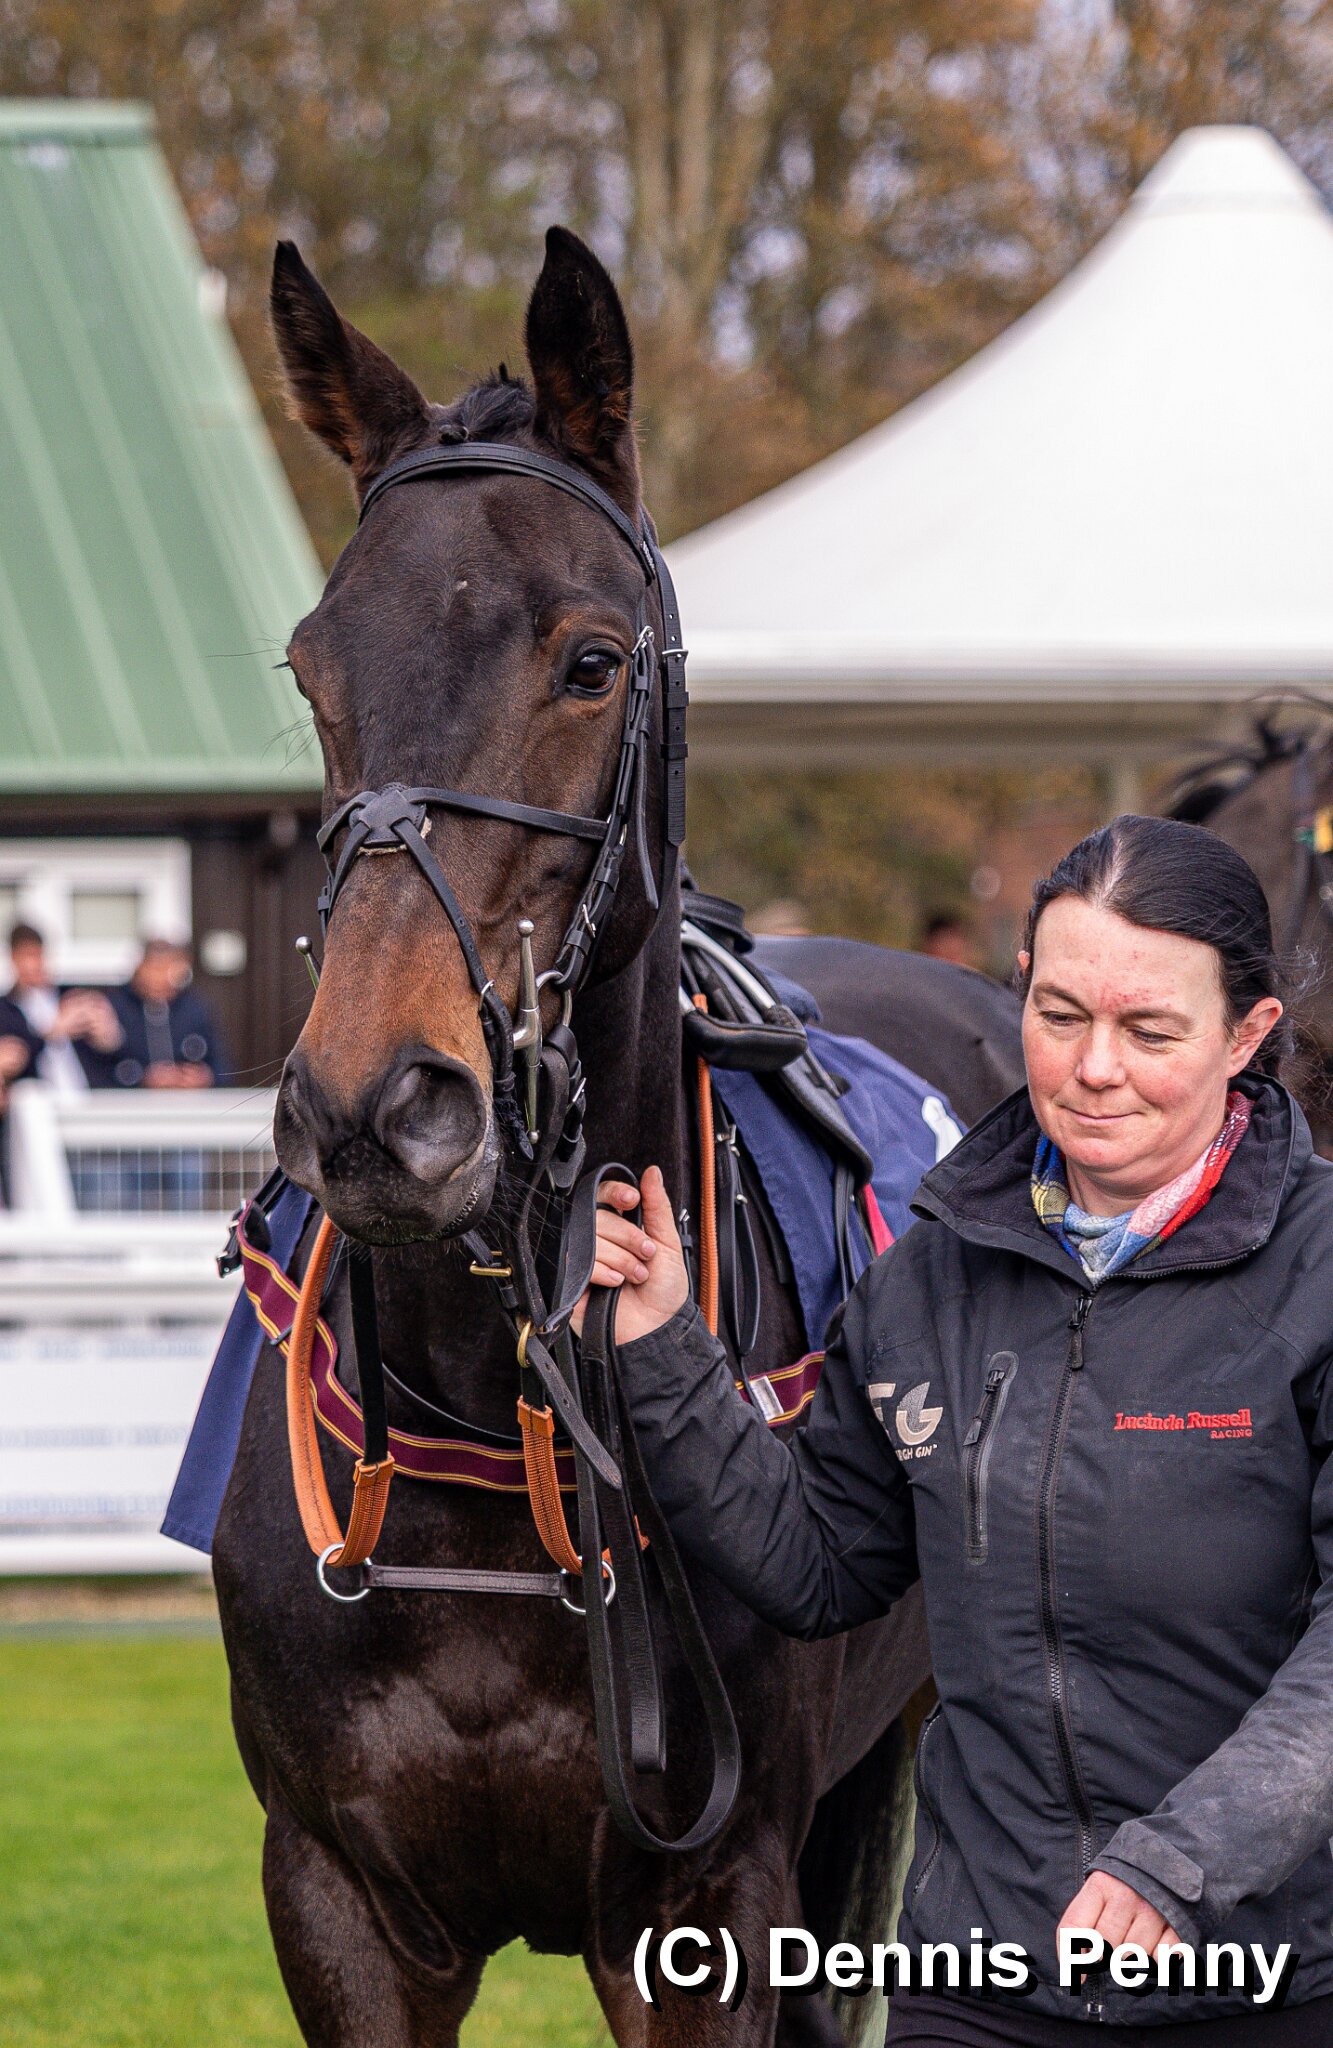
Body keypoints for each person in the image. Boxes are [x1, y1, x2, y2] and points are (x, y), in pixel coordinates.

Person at [579, 815, 1333, 2043]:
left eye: (1150, 1031)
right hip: (979, 1977)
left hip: (1265, 1977)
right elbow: (816, 1562)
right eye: (1059, 1013)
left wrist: (1183, 1864)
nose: (1094, 1067)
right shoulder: (931, 1275)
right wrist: (664, 1345)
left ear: (1245, 1035)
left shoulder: (1319, 1268)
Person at [0, 922, 122, 1092]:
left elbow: (111, 1052)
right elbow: (17, 1059)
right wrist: (53, 1032)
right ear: (13, 958)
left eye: (38, 955)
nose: (33, 964)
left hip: (87, 1092)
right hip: (38, 1097)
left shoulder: (70, 996)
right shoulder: (6, 1010)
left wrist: (107, 1035)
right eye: (27, 956)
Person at [102, 938, 226, 1089]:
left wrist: (206, 1077)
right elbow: (101, 1070)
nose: (160, 978)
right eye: (155, 969)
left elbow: (222, 1066)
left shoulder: (195, 1008)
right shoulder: (113, 1008)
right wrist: (142, 1079)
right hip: (131, 1101)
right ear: (139, 968)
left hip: (189, 1100)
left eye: (168, 969)